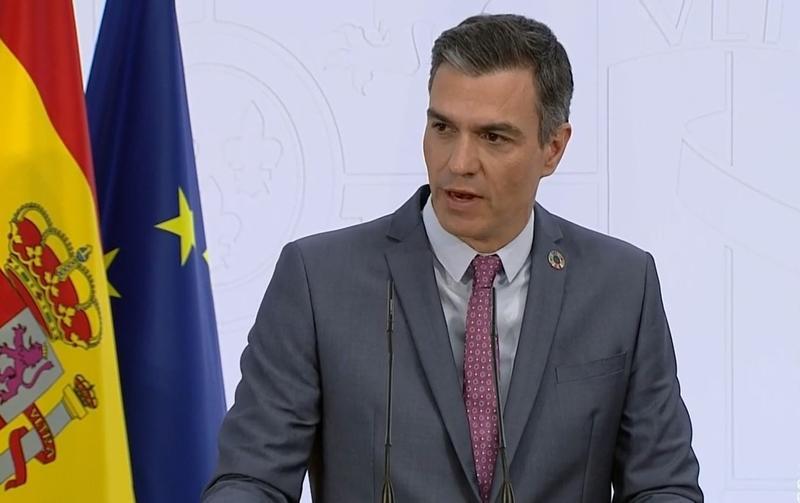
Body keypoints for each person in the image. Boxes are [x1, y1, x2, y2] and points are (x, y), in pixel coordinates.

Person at [202, 13, 703, 503]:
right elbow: (252, 480)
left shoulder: (622, 285)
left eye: (493, 137)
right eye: (443, 128)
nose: (458, 163)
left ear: (553, 148)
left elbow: (663, 485)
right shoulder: (318, 280)